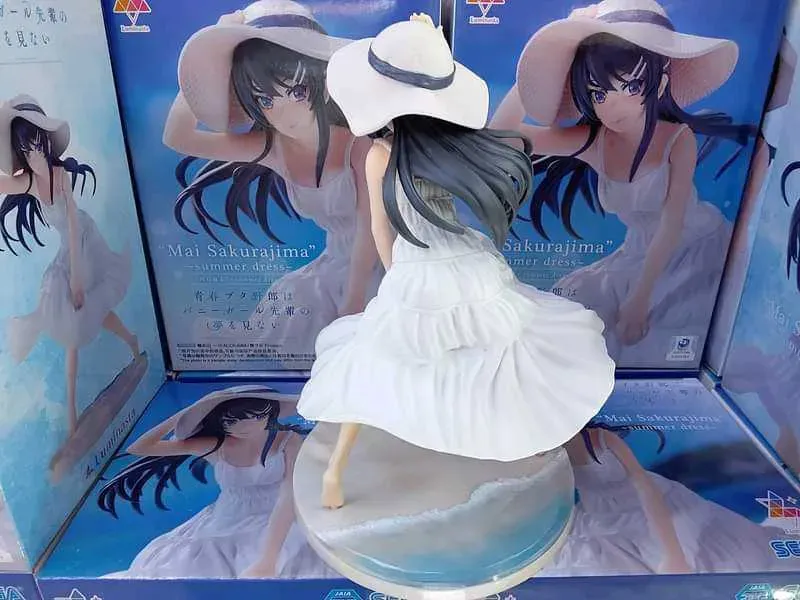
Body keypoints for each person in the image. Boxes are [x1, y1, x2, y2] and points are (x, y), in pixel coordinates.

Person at [296, 13, 616, 509]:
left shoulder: (380, 154)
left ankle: (335, 475)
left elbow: (381, 229)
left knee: (370, 364)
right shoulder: (452, 143)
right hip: (466, 261)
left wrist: (399, 282)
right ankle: (528, 438)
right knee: (497, 359)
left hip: (418, 268)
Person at [492, 0, 757, 366]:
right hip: (635, 254)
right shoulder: (594, 141)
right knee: (571, 315)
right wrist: (538, 69)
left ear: (660, 83)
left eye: (631, 86)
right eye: (599, 93)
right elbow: (501, 136)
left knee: (644, 337)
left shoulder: (678, 139)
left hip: (693, 248)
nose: (613, 107)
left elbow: (672, 224)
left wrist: (640, 298)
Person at [164, 0, 381, 363]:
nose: (284, 112)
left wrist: (353, 301)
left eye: (297, 91)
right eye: (265, 99)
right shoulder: (272, 148)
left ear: (322, 83)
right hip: (334, 265)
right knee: (295, 308)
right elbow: (177, 136)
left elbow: (369, 230)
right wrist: (214, 43)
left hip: (379, 261)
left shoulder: (358, 143)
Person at [0, 95, 140, 436]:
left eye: (39, 146)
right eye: (27, 151)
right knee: (85, 311)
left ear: (47, 142)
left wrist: (76, 277)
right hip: (69, 248)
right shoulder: (28, 182)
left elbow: (75, 225)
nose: (36, 156)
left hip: (86, 241)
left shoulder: (60, 174)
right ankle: (127, 342)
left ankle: (74, 412)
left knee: (80, 310)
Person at [98, 385, 336, 579]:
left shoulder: (288, 440)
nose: (243, 427)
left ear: (269, 414)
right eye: (231, 421)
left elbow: (288, 495)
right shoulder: (216, 445)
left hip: (281, 515)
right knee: (195, 562)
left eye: (255, 417)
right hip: (229, 517)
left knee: (299, 561)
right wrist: (187, 412)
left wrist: (269, 558)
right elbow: (140, 448)